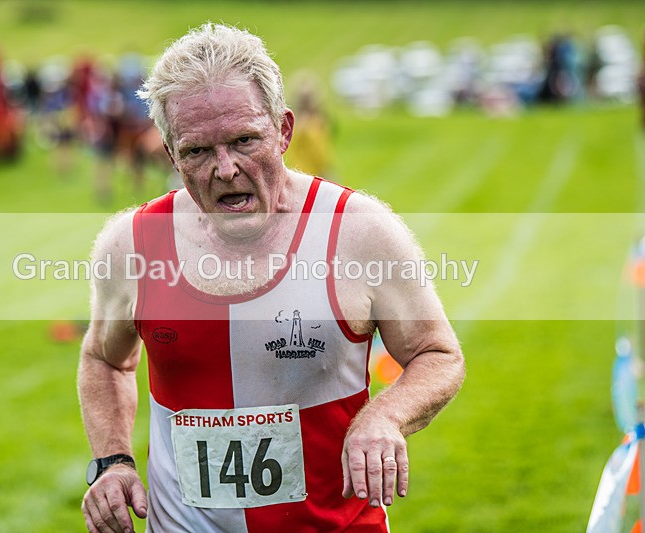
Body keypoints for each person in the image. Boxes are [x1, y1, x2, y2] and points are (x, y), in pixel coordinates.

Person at [78, 23, 465, 533]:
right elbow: (105, 359)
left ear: (283, 130)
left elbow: (437, 354)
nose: (225, 169)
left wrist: (385, 416)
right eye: (196, 151)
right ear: (170, 155)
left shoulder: (357, 232)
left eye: (244, 140)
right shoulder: (133, 244)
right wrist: (112, 461)